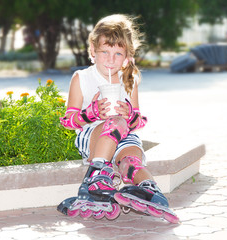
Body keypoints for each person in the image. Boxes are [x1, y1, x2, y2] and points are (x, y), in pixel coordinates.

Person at [58, 14, 177, 222]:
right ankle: (95, 177)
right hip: (93, 136)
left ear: (127, 56)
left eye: (118, 53)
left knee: (132, 161)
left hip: (123, 136)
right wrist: (90, 113)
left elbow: (138, 120)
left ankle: (150, 191)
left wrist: (130, 115)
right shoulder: (82, 78)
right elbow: (69, 121)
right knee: (115, 124)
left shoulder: (129, 79)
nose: (111, 60)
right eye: (105, 51)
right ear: (93, 51)